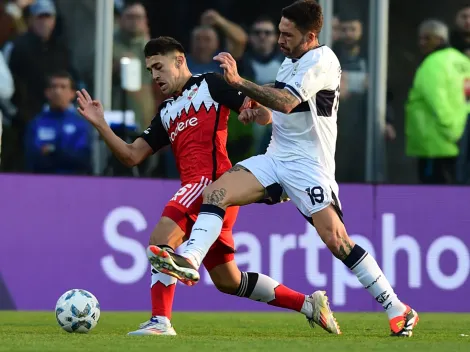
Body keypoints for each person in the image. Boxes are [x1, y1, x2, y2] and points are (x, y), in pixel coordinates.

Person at [148, 0, 419, 337]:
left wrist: (239, 82)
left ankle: (397, 307)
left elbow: (288, 103)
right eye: (279, 31)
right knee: (216, 191)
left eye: (287, 34)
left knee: (338, 241)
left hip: (309, 166)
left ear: (311, 35)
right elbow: (273, 103)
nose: (280, 39)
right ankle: (190, 258)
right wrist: (254, 109)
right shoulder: (288, 64)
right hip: (276, 157)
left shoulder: (322, 60)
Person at [76, 36, 340, 336]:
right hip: (209, 198)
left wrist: (255, 112)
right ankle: (309, 304)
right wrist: (100, 123)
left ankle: (160, 322)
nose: (155, 76)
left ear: (179, 60)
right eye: (150, 70)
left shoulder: (211, 84)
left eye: (159, 67)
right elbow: (131, 155)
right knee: (228, 281)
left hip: (211, 185)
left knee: (160, 239)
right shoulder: (166, 111)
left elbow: (265, 114)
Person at [25, 71, 91, 174]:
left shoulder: (81, 123)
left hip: (74, 183)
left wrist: (53, 151)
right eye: (54, 87)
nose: (58, 91)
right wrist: (64, 156)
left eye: (63, 87)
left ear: (72, 93)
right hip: (41, 182)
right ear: (47, 92)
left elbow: (82, 159)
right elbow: (33, 159)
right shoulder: (36, 123)